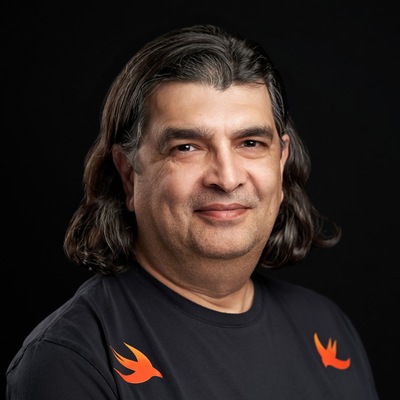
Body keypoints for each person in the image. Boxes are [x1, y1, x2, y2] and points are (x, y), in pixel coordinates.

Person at [6, 24, 379, 399]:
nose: (227, 178)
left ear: (281, 164)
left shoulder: (328, 329)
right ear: (129, 174)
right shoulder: (72, 360)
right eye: (186, 147)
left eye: (250, 143)